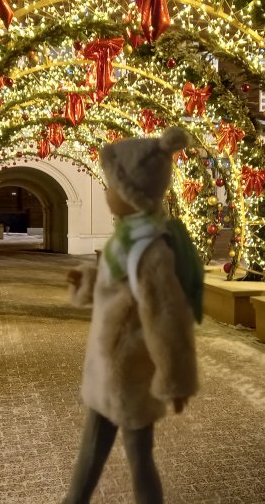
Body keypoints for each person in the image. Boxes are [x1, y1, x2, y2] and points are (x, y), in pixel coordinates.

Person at [62, 127, 200, 504]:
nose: (106, 193)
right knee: (93, 449)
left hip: (131, 373)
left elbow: (167, 319)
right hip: (108, 366)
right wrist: (88, 282)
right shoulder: (125, 239)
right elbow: (118, 289)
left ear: (133, 192)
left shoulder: (151, 250)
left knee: (138, 457)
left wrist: (175, 381)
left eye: (110, 185)